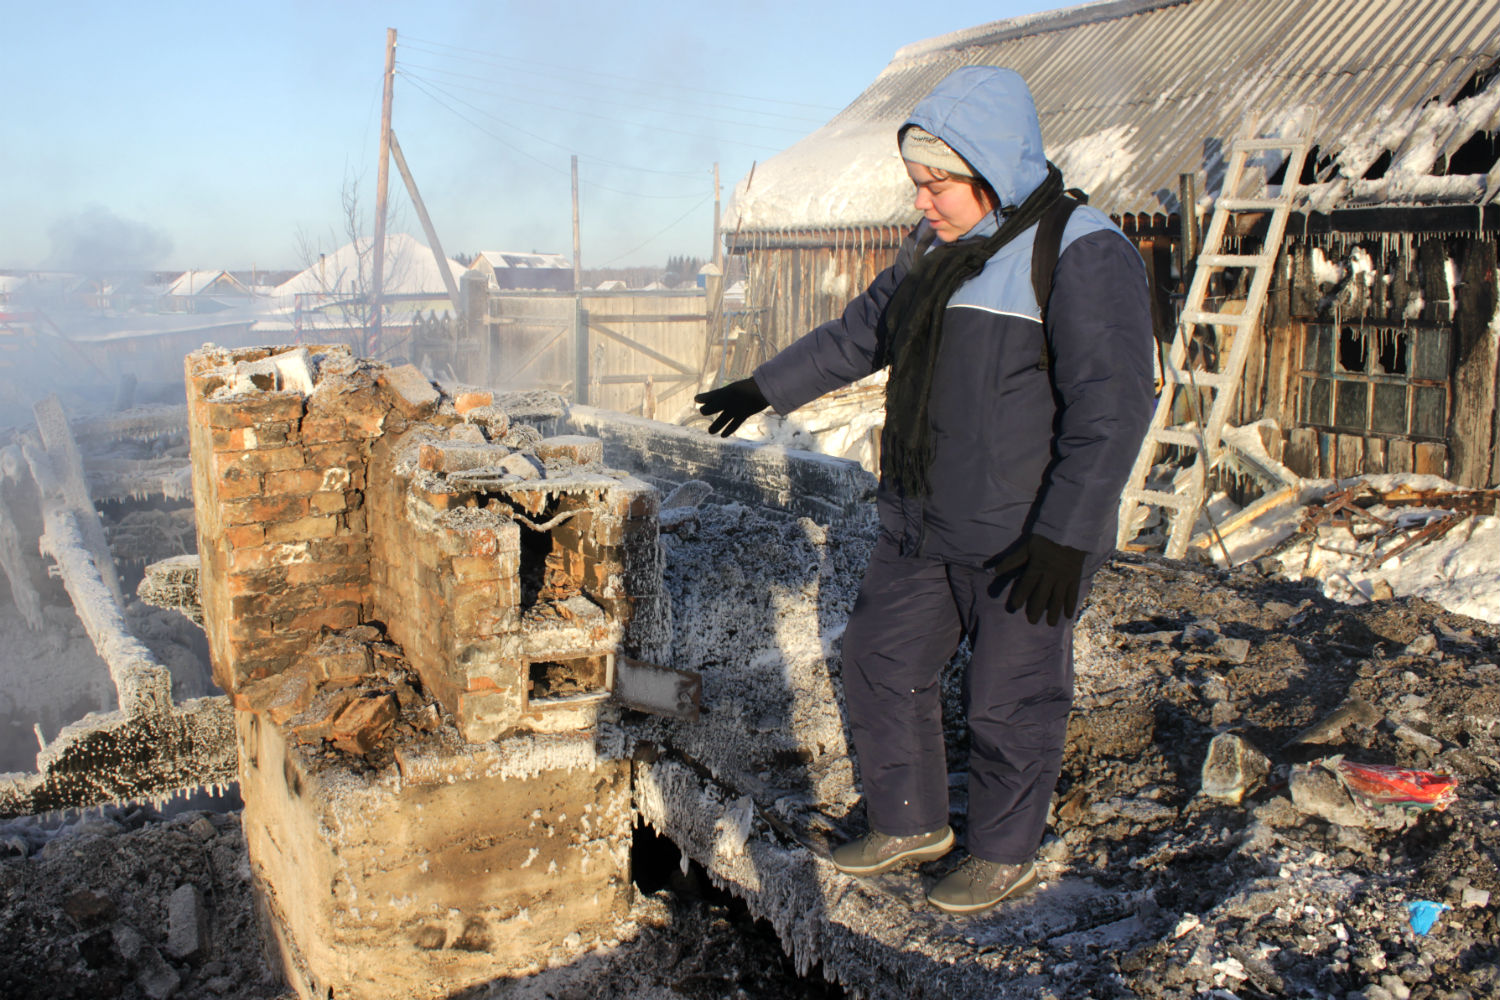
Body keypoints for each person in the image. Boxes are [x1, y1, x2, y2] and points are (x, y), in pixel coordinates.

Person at [696, 66, 1154, 915]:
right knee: (878, 659)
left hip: (1026, 535)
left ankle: (1003, 848)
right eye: (919, 185)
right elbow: (860, 334)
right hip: (924, 517)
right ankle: (911, 821)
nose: (924, 204)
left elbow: (1113, 409)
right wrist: (763, 387)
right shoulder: (932, 253)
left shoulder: (1082, 252)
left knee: (1009, 698)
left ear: (994, 167)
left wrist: (1065, 535)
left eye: (937, 184)